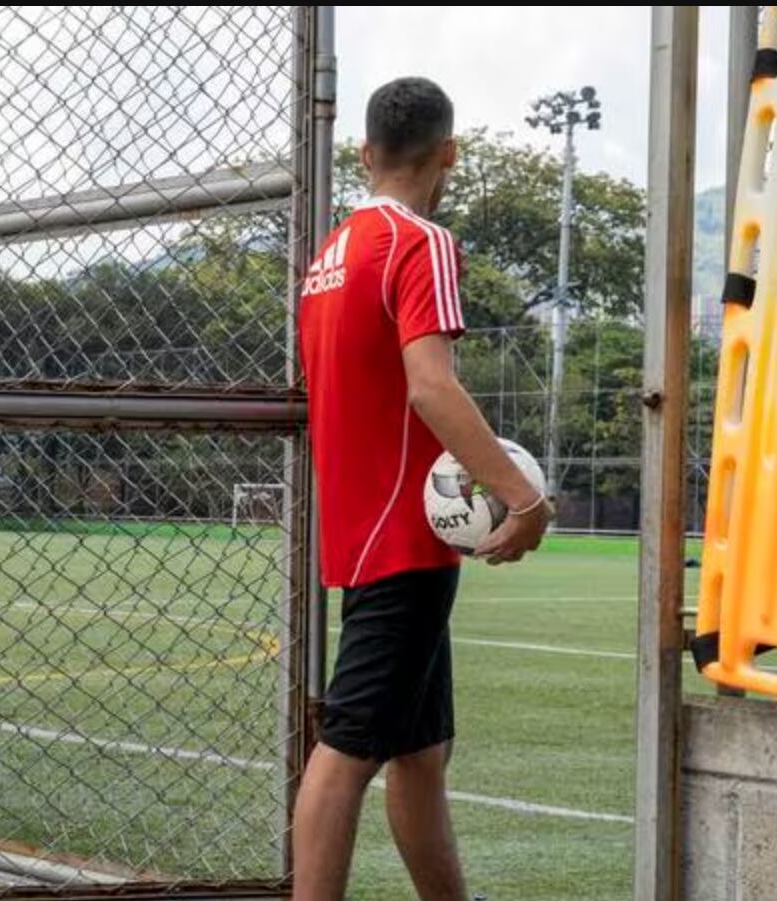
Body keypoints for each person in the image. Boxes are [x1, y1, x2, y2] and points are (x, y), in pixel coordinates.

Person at [291, 76, 555, 901]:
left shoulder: (326, 258)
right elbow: (430, 387)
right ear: (449, 155)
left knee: (419, 749)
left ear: (366, 154)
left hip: (366, 531)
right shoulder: (422, 243)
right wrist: (522, 494)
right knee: (348, 749)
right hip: (403, 538)